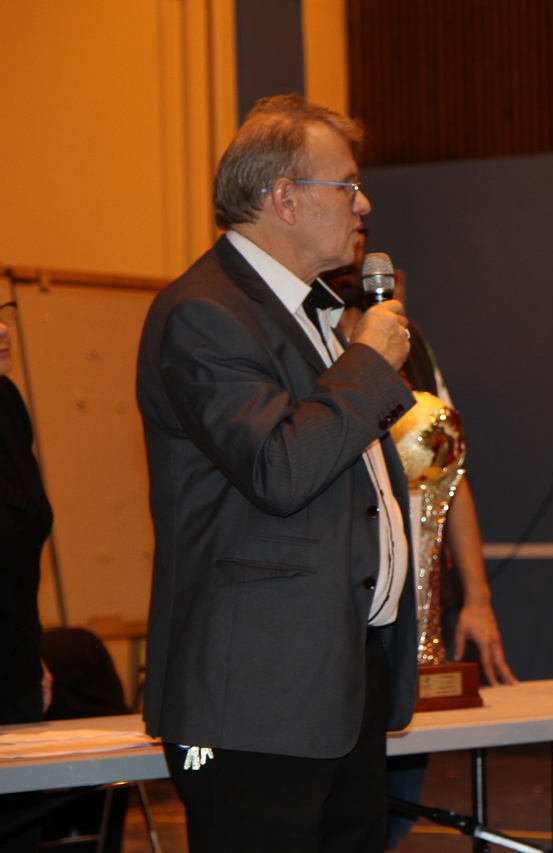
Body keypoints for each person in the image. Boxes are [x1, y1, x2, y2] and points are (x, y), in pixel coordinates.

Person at [136, 94, 418, 853]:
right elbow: (279, 467)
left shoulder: (311, 312)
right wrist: (365, 365)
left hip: (336, 681)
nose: (364, 203)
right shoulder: (205, 313)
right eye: (346, 185)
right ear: (283, 197)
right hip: (253, 699)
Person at [321, 238, 517, 851]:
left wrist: (478, 600)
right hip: (343, 597)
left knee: (397, 794)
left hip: (421, 595)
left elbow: (452, 475)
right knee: (343, 793)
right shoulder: (319, 347)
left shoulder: (418, 350)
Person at [0, 299, 54, 852]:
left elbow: (18, 550)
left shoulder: (8, 404)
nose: (1, 328)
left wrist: (29, 648)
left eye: (3, 310)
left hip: (13, 669)